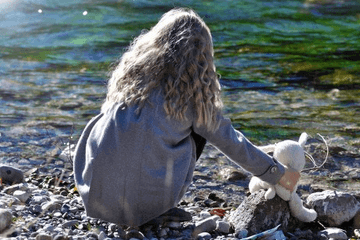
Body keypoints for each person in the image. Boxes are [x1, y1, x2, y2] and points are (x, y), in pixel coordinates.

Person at [73, 8, 299, 228]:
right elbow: (231, 142)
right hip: (143, 207)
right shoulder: (191, 99)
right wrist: (277, 174)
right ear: (201, 57)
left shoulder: (129, 80)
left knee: (116, 125)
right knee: (202, 129)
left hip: (95, 196)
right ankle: (154, 208)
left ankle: (131, 197)